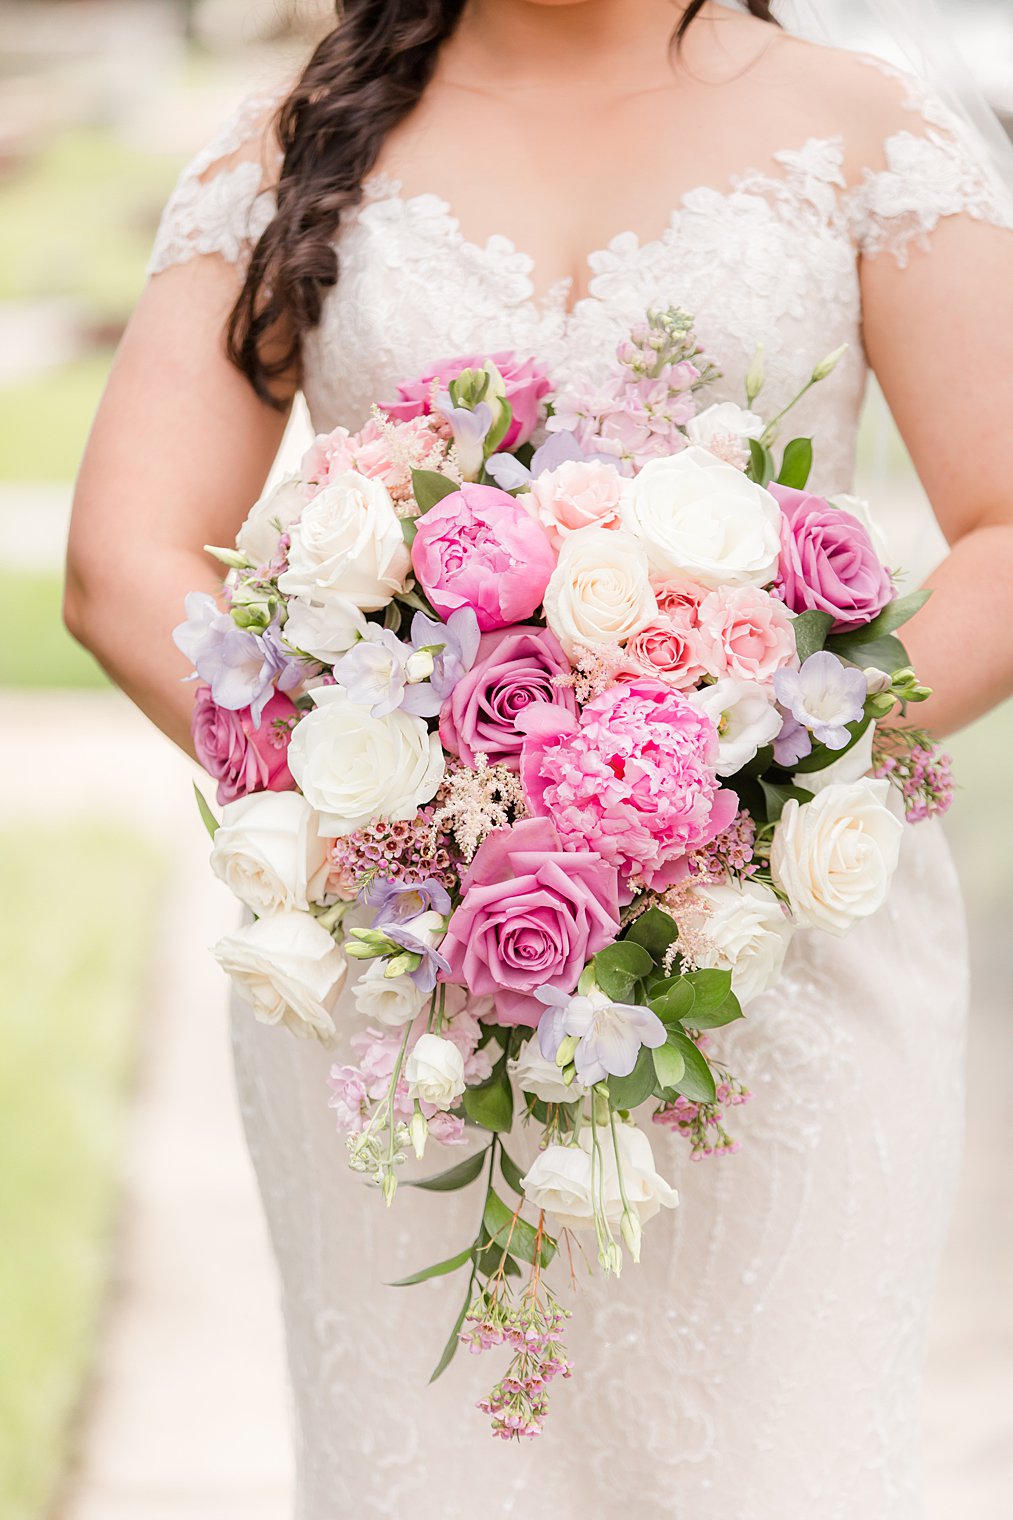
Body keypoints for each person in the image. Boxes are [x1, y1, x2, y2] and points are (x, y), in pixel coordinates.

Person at [64, 2, 1013, 1514]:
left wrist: (732, 785)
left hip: (781, 959)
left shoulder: (861, 130)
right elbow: (122, 565)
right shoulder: (291, 145)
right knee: (441, 1467)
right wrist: (405, 810)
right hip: (411, 976)